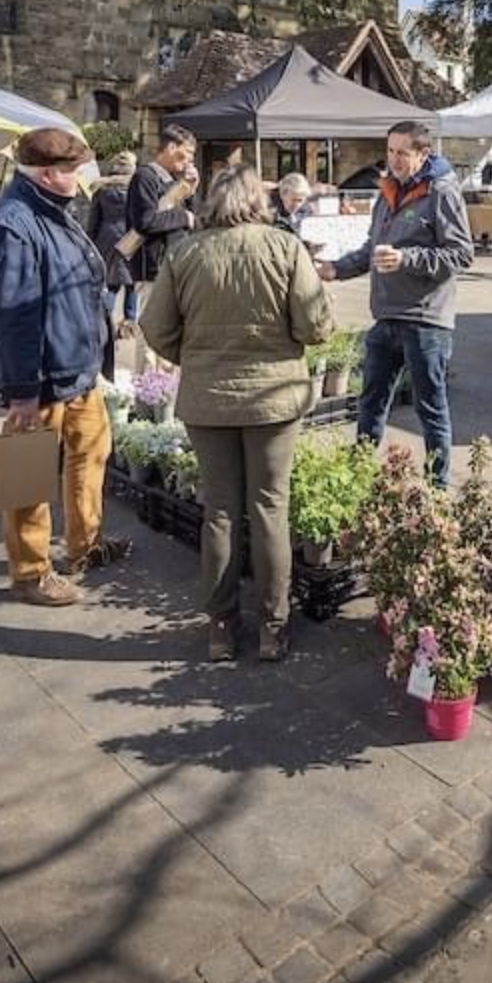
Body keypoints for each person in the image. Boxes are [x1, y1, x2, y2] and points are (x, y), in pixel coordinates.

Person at [138, 168, 332, 662]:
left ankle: (222, 627)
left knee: (220, 511)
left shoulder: (185, 251)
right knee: (271, 507)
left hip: (208, 397)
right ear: (258, 201)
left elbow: (155, 327)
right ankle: (273, 626)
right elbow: (315, 325)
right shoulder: (285, 247)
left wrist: (195, 357)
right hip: (274, 396)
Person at [0, 127, 130, 608]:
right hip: (41, 381)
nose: (82, 177)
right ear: (49, 174)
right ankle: (29, 572)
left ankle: (85, 547)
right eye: (74, 169)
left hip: (78, 369)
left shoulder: (52, 210)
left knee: (91, 457)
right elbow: (14, 316)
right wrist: (23, 393)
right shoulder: (14, 225)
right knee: (28, 478)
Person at [322, 122, 473, 484]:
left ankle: (437, 489)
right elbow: (371, 251)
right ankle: (356, 475)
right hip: (386, 319)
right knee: (370, 403)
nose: (394, 159)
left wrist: (408, 259)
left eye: (403, 153)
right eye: (390, 151)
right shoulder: (387, 192)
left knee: (430, 410)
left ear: (423, 154)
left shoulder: (442, 192)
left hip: (426, 322)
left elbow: (461, 255)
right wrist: (335, 269)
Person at [128, 125, 201, 287]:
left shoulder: (175, 179)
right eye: (188, 152)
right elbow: (145, 222)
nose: (191, 159)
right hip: (154, 272)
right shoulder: (144, 177)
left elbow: (195, 220)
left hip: (177, 265)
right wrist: (184, 217)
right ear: (171, 147)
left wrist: (191, 191)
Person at [272, 171, 313, 236]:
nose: (296, 205)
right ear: (282, 195)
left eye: (300, 200)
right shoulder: (268, 210)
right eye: (293, 200)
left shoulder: (306, 210)